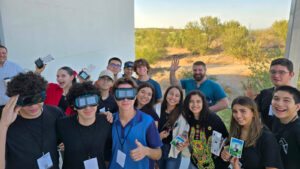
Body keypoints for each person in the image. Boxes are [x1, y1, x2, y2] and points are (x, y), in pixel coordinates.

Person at [0, 71, 64, 169]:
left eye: (37, 98)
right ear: (15, 100)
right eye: (26, 101)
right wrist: (3, 125)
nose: (33, 106)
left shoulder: (55, 113)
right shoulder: (6, 121)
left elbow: (63, 139)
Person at [109, 77, 162, 169]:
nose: (125, 99)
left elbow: (158, 153)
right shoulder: (110, 120)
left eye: (129, 93)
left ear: (135, 96)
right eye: (121, 94)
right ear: (114, 97)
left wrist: (146, 151)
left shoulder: (147, 121)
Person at [56, 82, 112, 169]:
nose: (88, 107)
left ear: (97, 103)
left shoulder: (106, 122)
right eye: (81, 102)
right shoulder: (62, 124)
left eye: (91, 101)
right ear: (74, 106)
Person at [221, 96, 283, 169]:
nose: (238, 115)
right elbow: (238, 158)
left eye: (243, 111)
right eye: (235, 111)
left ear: (253, 113)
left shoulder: (266, 138)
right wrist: (229, 157)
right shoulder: (236, 132)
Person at [245, 58, 296, 130]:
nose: (276, 75)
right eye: (273, 72)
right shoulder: (264, 94)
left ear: (291, 74)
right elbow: (251, 117)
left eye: (281, 72)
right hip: (266, 139)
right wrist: (248, 101)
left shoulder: (297, 98)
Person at [184, 90, 228, 169]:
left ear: (203, 103)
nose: (195, 104)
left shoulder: (213, 118)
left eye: (198, 101)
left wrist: (224, 145)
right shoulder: (188, 119)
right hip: (194, 163)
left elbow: (227, 138)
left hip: (215, 165)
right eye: (191, 101)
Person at [158, 86, 189, 169]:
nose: (173, 97)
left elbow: (187, 131)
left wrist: (184, 142)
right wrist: (159, 137)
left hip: (173, 150)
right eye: (171, 94)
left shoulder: (183, 114)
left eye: (177, 96)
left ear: (180, 99)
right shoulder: (157, 109)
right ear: (166, 94)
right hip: (158, 148)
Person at [271, 86, 300, 169]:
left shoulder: (297, 130)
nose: (279, 104)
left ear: (297, 107)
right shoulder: (277, 120)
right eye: (276, 99)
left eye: (286, 100)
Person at [0, 45, 24, 113]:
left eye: (3, 53)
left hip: (14, 105)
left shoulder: (15, 67)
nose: (1, 55)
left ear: (6, 54)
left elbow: (25, 82)